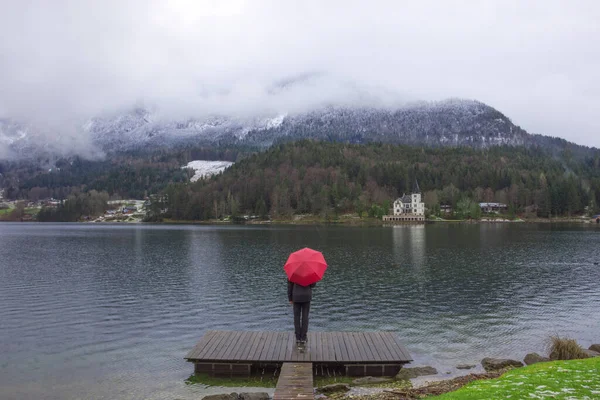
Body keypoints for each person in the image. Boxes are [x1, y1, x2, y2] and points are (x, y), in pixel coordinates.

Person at [288, 280, 315, 346]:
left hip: (296, 297)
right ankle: (303, 337)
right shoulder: (309, 272)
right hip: (306, 297)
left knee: (296, 317)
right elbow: (313, 285)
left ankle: (298, 337)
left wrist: (290, 298)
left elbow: (290, 286)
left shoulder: (293, 272)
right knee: (305, 317)